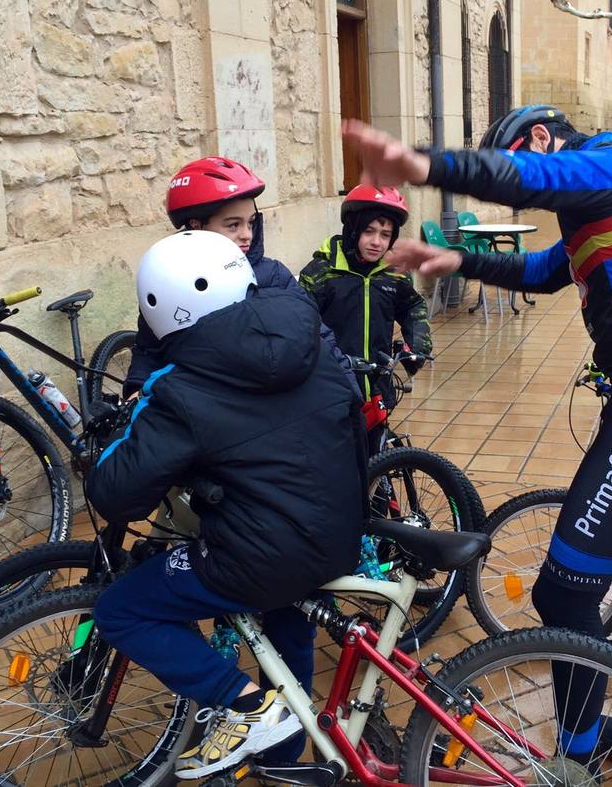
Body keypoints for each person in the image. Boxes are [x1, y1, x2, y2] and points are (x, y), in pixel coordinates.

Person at [343, 106, 612, 678]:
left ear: (542, 137)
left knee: (563, 596)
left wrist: (420, 164)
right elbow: (546, 269)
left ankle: (575, 765)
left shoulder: (609, 165)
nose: (523, 192)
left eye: (513, 158)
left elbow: (537, 177)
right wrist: (458, 258)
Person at [90, 230, 367, 780]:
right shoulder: (305, 332)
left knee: (121, 609)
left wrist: (113, 442)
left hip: (260, 556)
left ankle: (243, 704)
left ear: (162, 309)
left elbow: (117, 491)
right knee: (287, 629)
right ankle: (281, 764)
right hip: (338, 533)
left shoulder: (183, 384)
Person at [123, 156, 356, 399]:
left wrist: (350, 394)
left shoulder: (273, 276)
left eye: (251, 223)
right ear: (196, 225)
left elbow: (319, 337)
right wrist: (135, 391)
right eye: (233, 225)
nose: (247, 235)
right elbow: (150, 349)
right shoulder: (167, 282)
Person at [299, 185, 432, 405]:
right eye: (368, 231)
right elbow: (300, 325)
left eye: (385, 235)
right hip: (334, 387)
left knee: (377, 436)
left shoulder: (393, 272)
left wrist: (416, 347)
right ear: (352, 229)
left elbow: (412, 306)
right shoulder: (322, 272)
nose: (376, 242)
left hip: (379, 384)